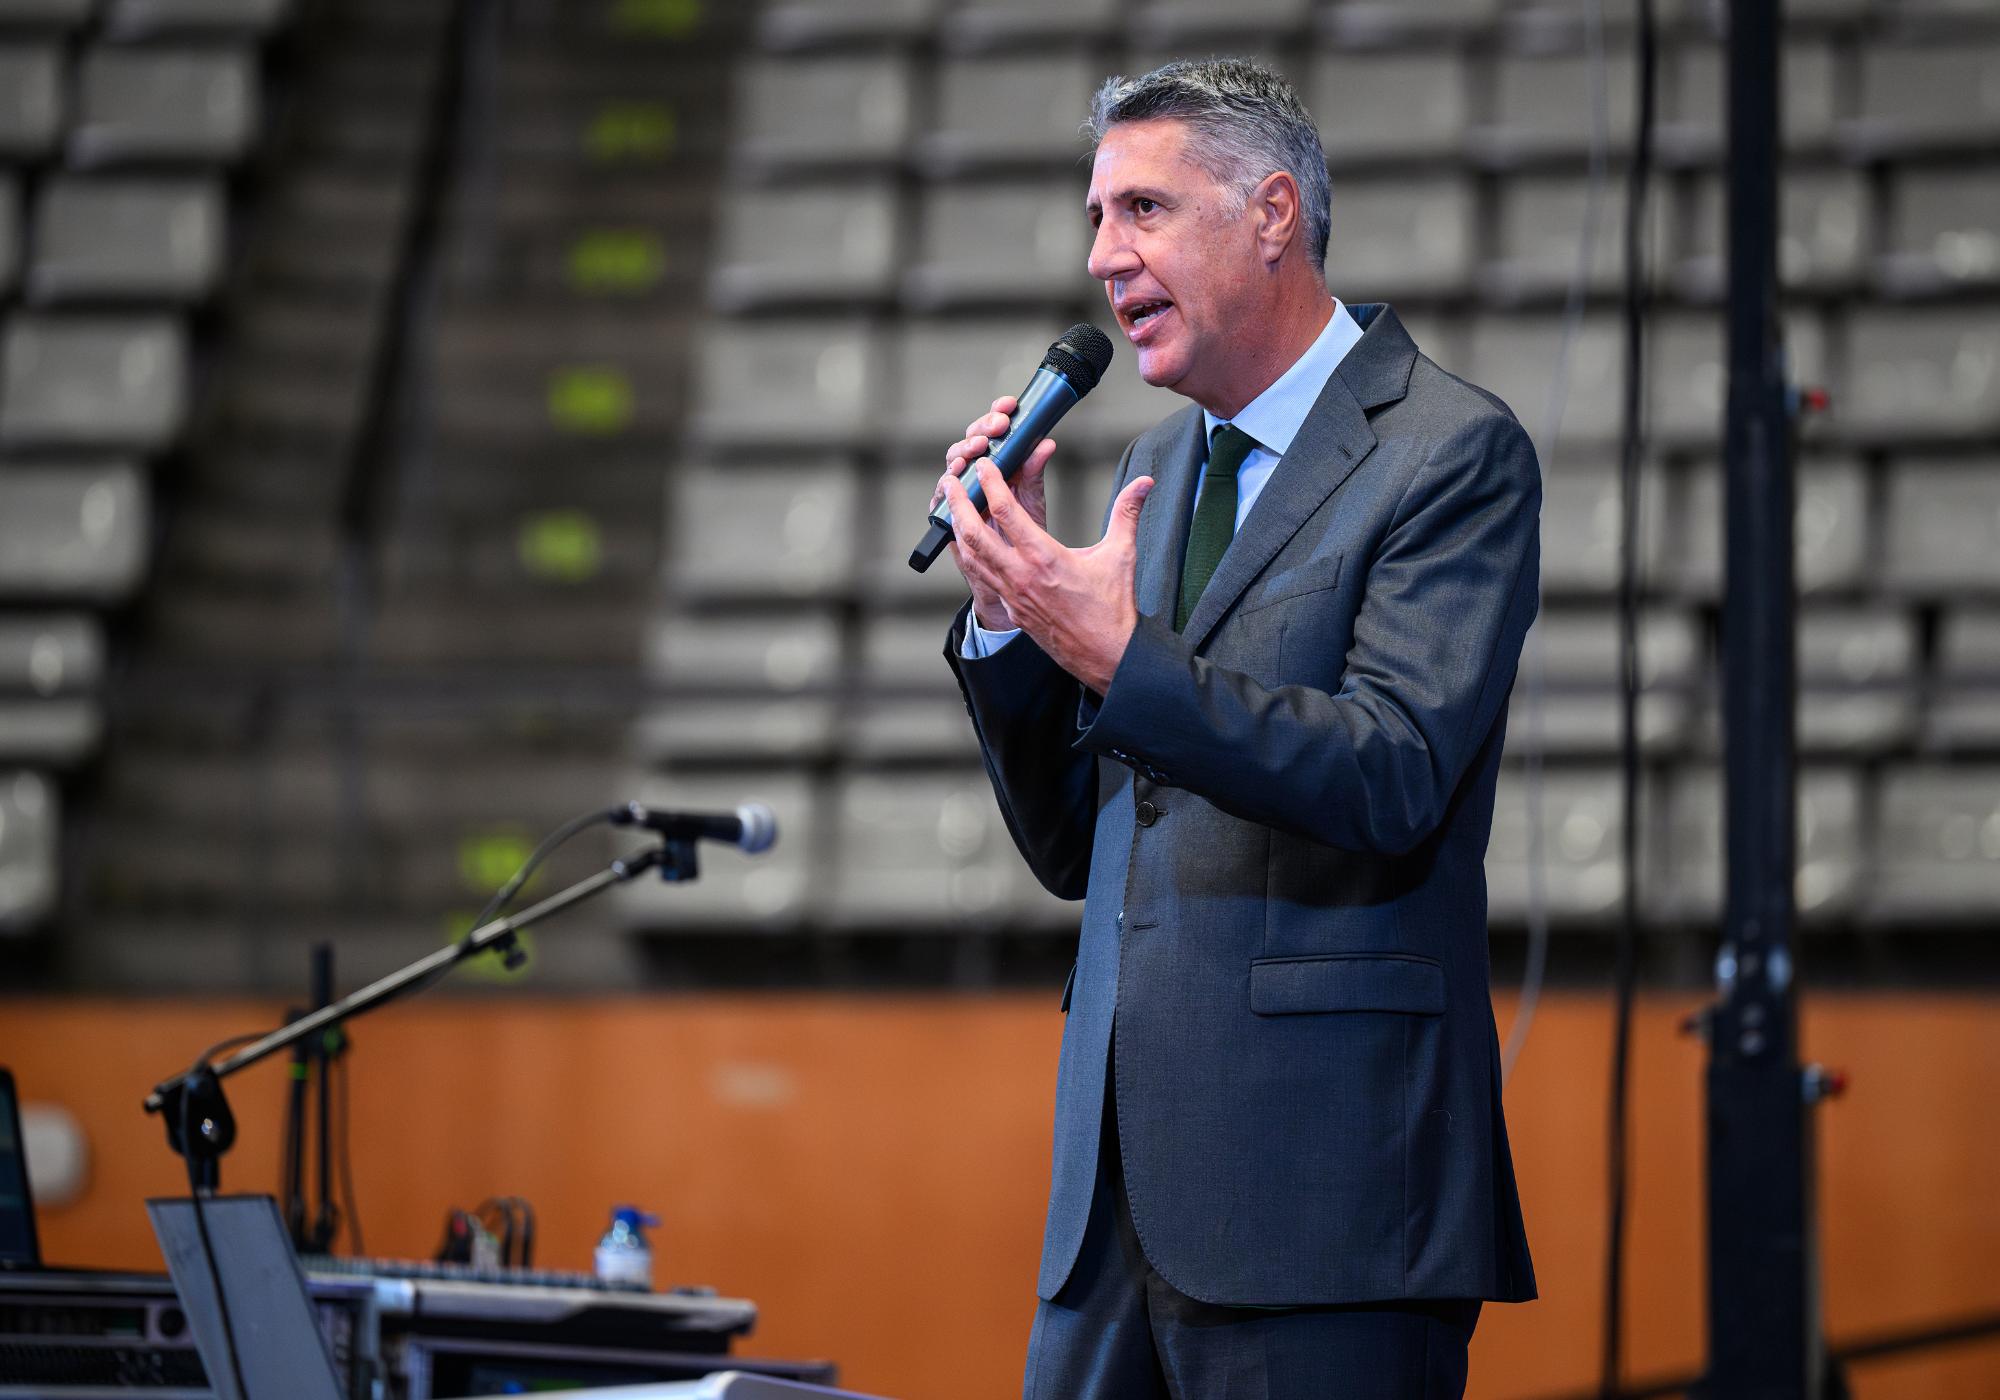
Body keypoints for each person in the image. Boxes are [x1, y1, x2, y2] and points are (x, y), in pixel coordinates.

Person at [935, 58, 1539, 1400]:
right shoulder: (1157, 465)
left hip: (1324, 1205)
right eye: (1095, 218)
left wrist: (1115, 652)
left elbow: (1391, 772)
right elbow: (1085, 846)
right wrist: (1008, 614)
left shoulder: (1448, 451)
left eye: (1141, 210)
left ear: (1272, 213)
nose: (1103, 257)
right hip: (1113, 1213)